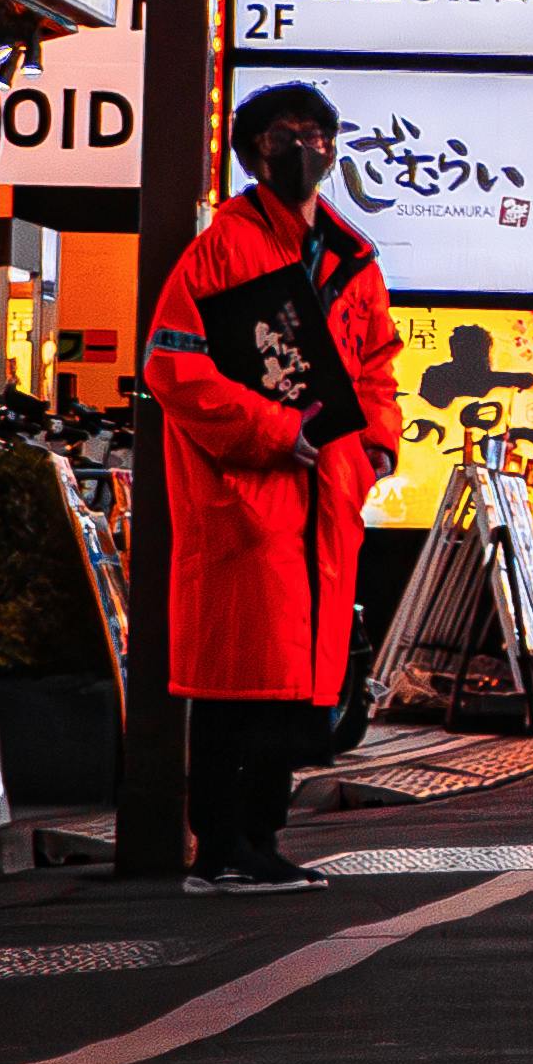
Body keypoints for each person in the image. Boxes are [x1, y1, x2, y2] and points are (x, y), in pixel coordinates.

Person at [141, 74, 400, 891]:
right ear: (254, 152)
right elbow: (173, 367)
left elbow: (380, 365)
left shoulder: (353, 256)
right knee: (236, 685)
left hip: (327, 494)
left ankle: (262, 838)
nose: (303, 150)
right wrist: (278, 432)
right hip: (249, 497)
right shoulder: (220, 250)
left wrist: (378, 449)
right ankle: (219, 846)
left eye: (316, 134)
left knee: (293, 687)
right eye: (283, 137)